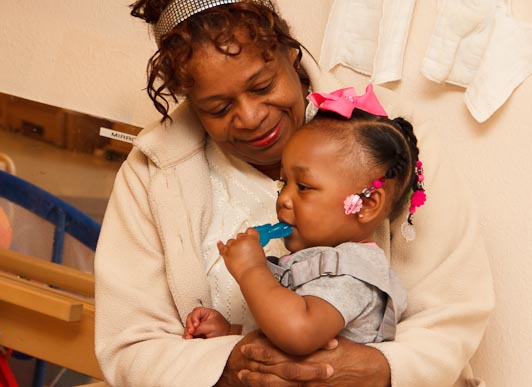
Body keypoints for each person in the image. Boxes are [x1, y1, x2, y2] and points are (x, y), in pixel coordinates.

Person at [94, 1, 494, 386]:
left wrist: (377, 369)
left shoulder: (386, 142)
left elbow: (451, 311)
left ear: (290, 52)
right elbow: (129, 345)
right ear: (191, 102)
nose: (251, 118)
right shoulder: (153, 169)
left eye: (263, 85)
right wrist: (230, 362)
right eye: (217, 108)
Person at [183, 86, 420, 357]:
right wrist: (230, 332)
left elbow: (299, 333)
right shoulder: (310, 263)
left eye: (304, 187)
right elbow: (277, 333)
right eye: (284, 183)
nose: (284, 198)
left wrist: (251, 270)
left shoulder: (354, 273)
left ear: (366, 204)